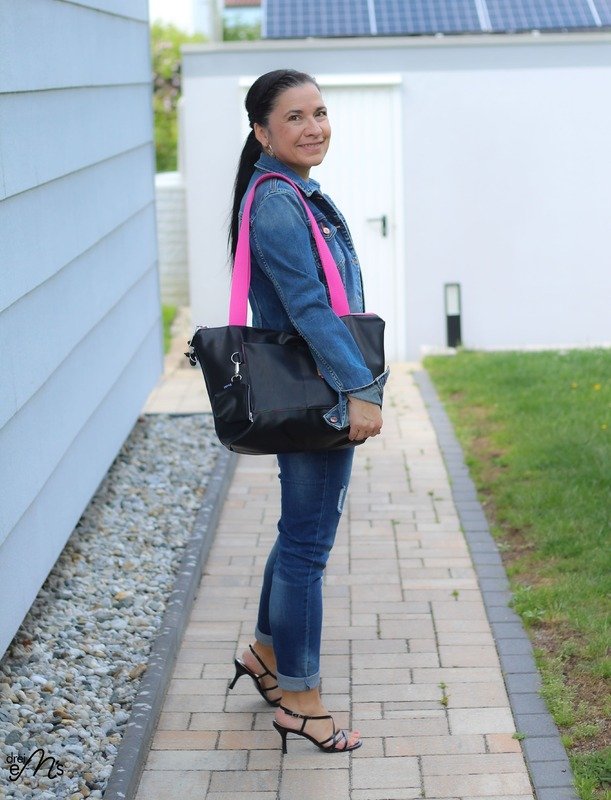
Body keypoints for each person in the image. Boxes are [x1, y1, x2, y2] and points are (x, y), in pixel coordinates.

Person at [226, 69, 387, 753]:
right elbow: (310, 309)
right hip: (318, 392)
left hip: (312, 387)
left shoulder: (291, 191)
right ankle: (299, 698)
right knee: (305, 548)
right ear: (262, 132)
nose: (313, 127)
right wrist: (360, 390)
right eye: (294, 117)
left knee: (298, 535)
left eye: (319, 112)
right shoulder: (278, 202)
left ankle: (265, 654)